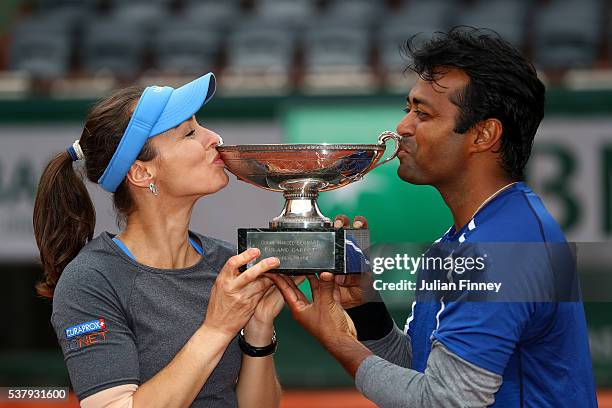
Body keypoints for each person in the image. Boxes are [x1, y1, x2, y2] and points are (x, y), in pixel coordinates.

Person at [268, 27, 597, 407]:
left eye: (422, 113)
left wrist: (338, 341)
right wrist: (366, 309)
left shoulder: (502, 248)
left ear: (483, 134)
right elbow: (427, 372)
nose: (403, 127)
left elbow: (444, 401)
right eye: (408, 109)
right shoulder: (466, 237)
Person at [33, 73, 292, 408]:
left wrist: (258, 330)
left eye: (201, 126)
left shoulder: (227, 262)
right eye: (189, 133)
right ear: (142, 173)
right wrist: (217, 328)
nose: (214, 138)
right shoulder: (90, 280)